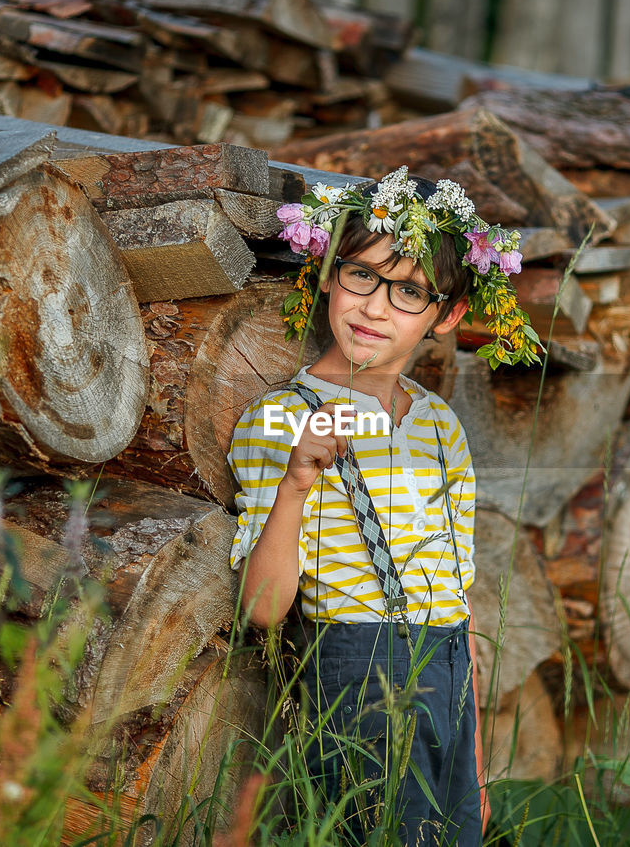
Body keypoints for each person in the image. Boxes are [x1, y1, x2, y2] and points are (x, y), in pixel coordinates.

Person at [226, 167, 541, 846]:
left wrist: (476, 774)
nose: (373, 307)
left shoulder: (439, 427)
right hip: (354, 680)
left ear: (446, 315)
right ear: (330, 275)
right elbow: (263, 607)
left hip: (446, 678)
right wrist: (295, 483)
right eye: (361, 275)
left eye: (407, 292)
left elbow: (455, 606)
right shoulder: (280, 419)